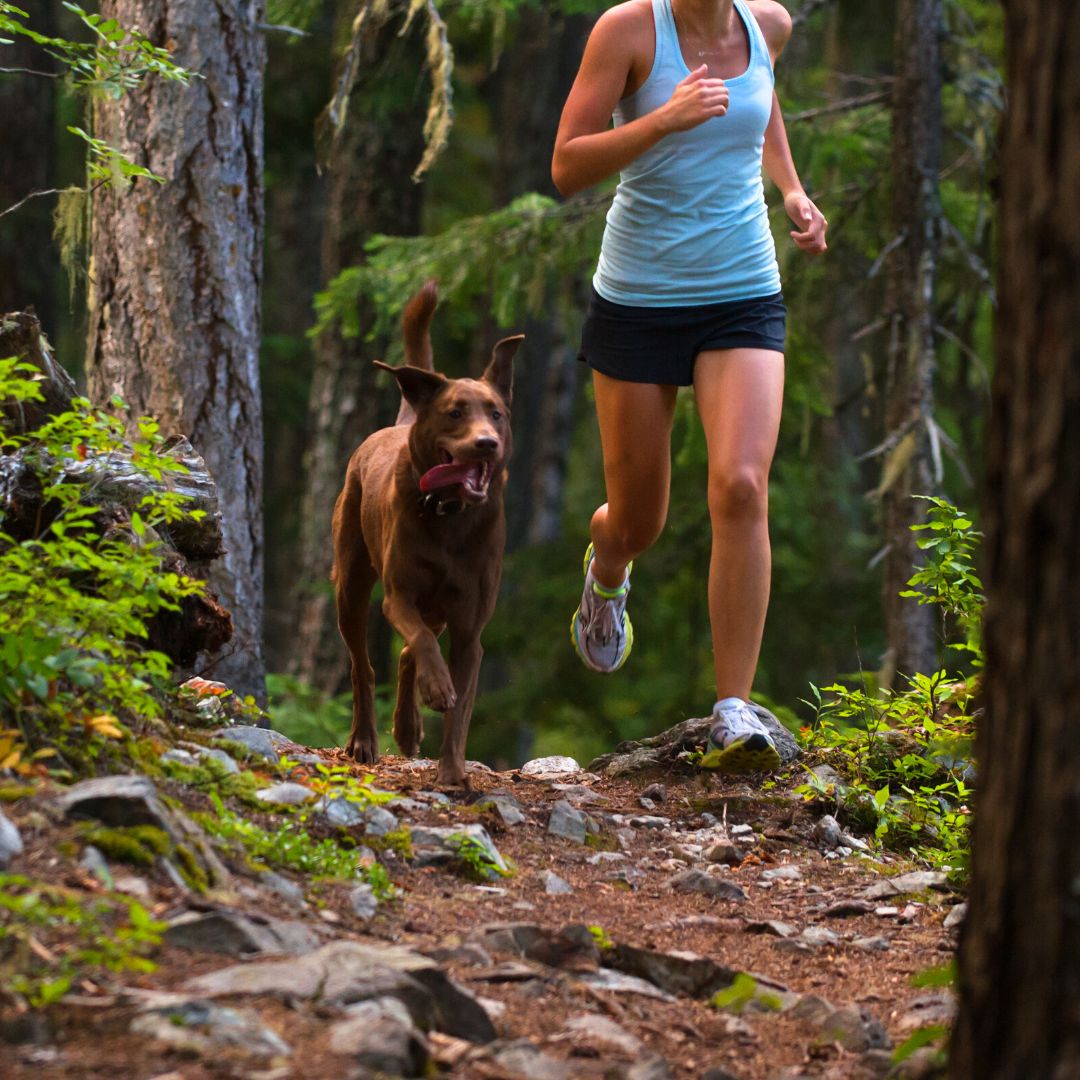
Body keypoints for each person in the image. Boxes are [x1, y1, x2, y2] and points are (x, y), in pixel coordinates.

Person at [552, 0, 827, 772]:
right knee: (638, 521)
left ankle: (732, 708)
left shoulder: (768, 26)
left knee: (741, 485)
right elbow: (567, 165)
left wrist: (790, 188)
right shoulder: (629, 31)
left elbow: (763, 108)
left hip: (743, 290)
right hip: (638, 300)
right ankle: (608, 567)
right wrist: (662, 119)